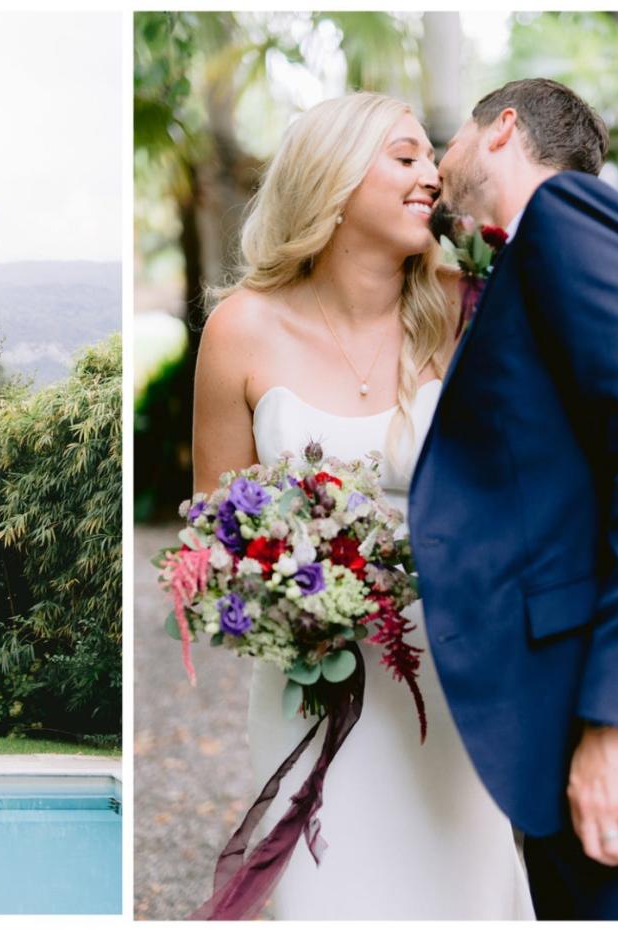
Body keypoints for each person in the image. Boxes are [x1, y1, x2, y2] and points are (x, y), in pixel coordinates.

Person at [192, 91, 532, 919]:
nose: (431, 178)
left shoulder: (465, 314)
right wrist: (279, 603)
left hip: (451, 686)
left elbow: (522, 495)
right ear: (334, 179)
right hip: (309, 689)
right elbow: (207, 532)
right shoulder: (241, 328)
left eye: (429, 161)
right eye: (406, 157)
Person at [411, 77, 618, 920]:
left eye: (446, 138)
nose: (437, 165)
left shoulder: (569, 218)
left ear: (500, 130)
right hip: (572, 751)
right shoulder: (528, 255)